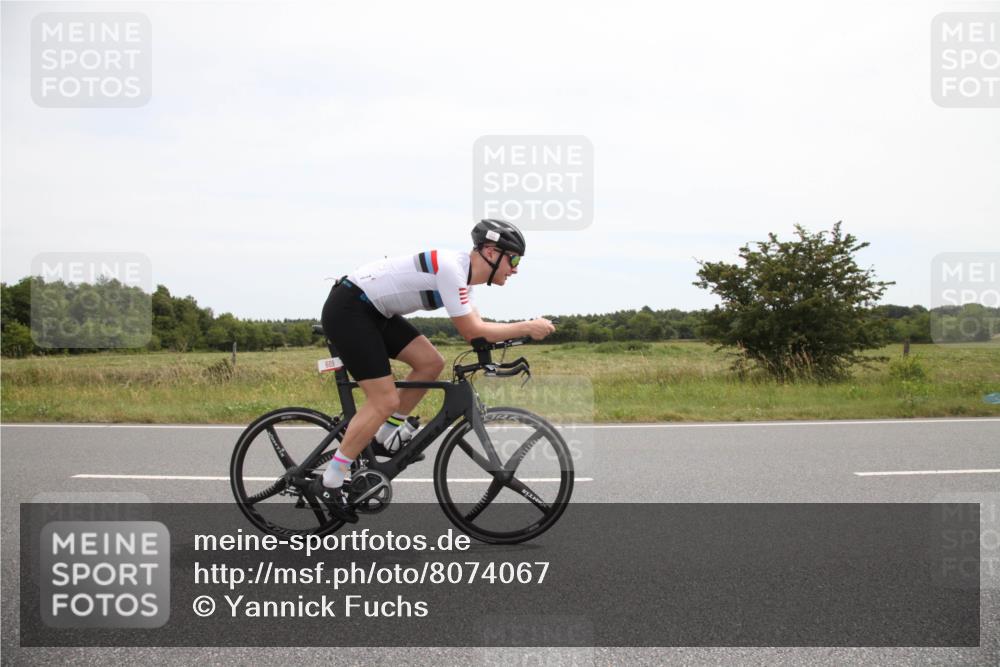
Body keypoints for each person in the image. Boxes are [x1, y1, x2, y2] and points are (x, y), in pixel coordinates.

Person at [311, 219, 555, 521]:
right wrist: (528, 327)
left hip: (373, 312)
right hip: (351, 309)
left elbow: (480, 334)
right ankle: (331, 480)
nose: (516, 268)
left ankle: (383, 436)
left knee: (431, 363)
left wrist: (499, 353)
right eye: (514, 259)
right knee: (383, 400)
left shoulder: (465, 281)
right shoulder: (452, 269)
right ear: (491, 252)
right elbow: (472, 330)